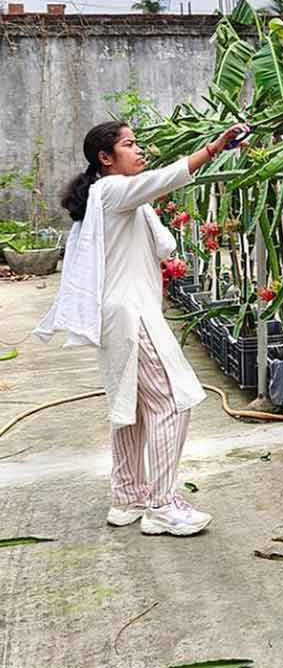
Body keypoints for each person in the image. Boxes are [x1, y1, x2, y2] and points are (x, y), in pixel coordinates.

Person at [34, 120, 248, 536]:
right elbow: (163, 179)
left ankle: (128, 496)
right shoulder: (114, 190)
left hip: (117, 315)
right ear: (105, 158)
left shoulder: (107, 196)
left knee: (130, 409)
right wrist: (214, 148)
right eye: (129, 145)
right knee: (172, 399)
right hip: (133, 316)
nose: (139, 150)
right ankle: (163, 503)